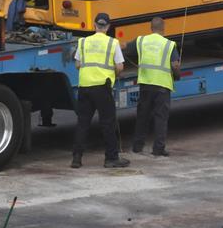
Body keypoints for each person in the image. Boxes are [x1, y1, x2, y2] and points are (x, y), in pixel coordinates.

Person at [71, 13, 130, 169]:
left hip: (84, 86)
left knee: (83, 123)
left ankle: (76, 158)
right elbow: (120, 67)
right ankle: (111, 158)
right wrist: (114, 74)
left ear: (94, 25)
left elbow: (77, 65)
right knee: (108, 123)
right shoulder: (113, 43)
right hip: (103, 88)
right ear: (108, 27)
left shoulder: (83, 42)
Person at [131, 17, 181, 157]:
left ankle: (137, 146)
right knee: (160, 118)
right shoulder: (169, 44)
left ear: (150, 28)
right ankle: (158, 149)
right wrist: (177, 76)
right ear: (163, 28)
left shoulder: (141, 41)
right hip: (162, 86)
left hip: (145, 84)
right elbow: (175, 65)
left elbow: (126, 48)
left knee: (142, 116)